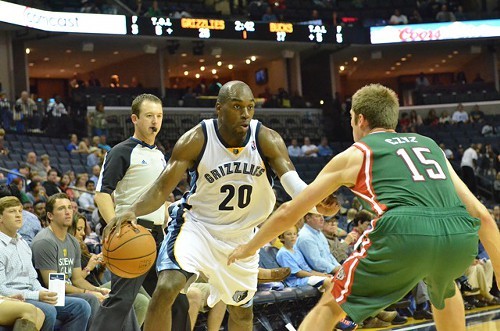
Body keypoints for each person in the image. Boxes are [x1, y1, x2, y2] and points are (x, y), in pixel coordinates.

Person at [228, 83, 500, 331]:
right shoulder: (430, 146)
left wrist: (248, 248)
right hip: (458, 233)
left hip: (405, 230)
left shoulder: (358, 152)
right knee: (444, 286)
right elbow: (481, 215)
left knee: (332, 303)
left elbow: (289, 211)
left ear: (360, 119)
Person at [109, 81, 337, 331]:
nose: (245, 114)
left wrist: (316, 204)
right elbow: (162, 188)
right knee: (166, 287)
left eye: (250, 107)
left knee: (241, 313)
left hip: (241, 239)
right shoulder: (196, 139)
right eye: (237, 106)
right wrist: (133, 210)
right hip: (197, 228)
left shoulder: (266, 138)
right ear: (219, 108)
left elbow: (293, 183)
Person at [91, 94, 190, 331]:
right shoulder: (121, 151)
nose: (155, 121)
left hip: (158, 236)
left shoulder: (159, 154)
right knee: (121, 302)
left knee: (177, 301)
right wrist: (118, 228)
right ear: (135, 118)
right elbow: (102, 194)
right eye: (149, 116)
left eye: (159, 116)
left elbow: (156, 199)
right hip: (133, 235)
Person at [0, 196, 91, 331]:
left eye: (20, 211)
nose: (19, 215)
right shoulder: (43, 241)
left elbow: (32, 279)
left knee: (82, 306)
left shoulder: (23, 243)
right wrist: (38, 295)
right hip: (15, 297)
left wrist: (45, 292)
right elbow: (2, 289)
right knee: (48, 311)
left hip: (33, 292)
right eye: (12, 211)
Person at [31, 194, 109, 327]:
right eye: (61, 208)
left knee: (111, 297)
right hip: (51, 296)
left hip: (69, 293)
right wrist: (89, 293)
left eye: (69, 207)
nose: (68, 212)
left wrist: (98, 290)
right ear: (50, 216)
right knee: (90, 300)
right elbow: (52, 285)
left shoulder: (72, 241)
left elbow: (78, 279)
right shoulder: (45, 241)